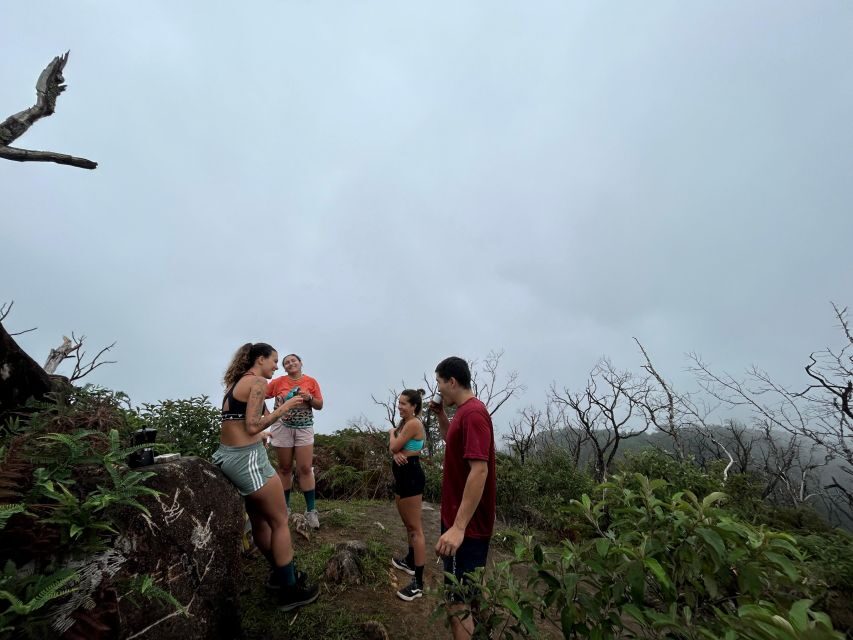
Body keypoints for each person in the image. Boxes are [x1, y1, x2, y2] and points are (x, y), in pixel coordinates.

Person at [212, 343, 319, 611]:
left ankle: (280, 575)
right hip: (247, 460)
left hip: (229, 455)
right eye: (274, 360)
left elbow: (236, 423)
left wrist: (260, 435)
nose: (276, 365)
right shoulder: (258, 381)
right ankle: (290, 591)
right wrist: (287, 406)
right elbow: (252, 424)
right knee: (280, 521)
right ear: (260, 359)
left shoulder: (239, 382)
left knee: (260, 521)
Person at [430, 357, 496, 640]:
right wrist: (442, 416)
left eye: (439, 383)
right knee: (470, 591)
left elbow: (479, 470)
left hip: (466, 527)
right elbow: (454, 442)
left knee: (457, 602)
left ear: (452, 382)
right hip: (462, 521)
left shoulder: (473, 414)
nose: (439, 389)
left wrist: (458, 528)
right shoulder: (464, 413)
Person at [266, 353, 324, 529]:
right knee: (284, 468)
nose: (290, 363)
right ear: (284, 368)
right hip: (282, 427)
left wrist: (309, 398)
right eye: (286, 362)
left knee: (305, 468)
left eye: (293, 360)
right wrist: (269, 416)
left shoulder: (311, 382)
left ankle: (311, 510)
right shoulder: (278, 382)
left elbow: (320, 405)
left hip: (304, 427)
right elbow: (260, 395)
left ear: (300, 363)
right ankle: (285, 508)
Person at [389, 389, 427, 601]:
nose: (400, 406)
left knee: (415, 529)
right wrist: (396, 452)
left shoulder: (413, 423)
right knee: (409, 526)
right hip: (403, 477)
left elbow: (393, 444)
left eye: (404, 404)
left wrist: (390, 435)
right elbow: (395, 449)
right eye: (399, 402)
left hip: (411, 476)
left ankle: (418, 584)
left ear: (414, 406)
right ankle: (411, 562)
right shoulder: (405, 423)